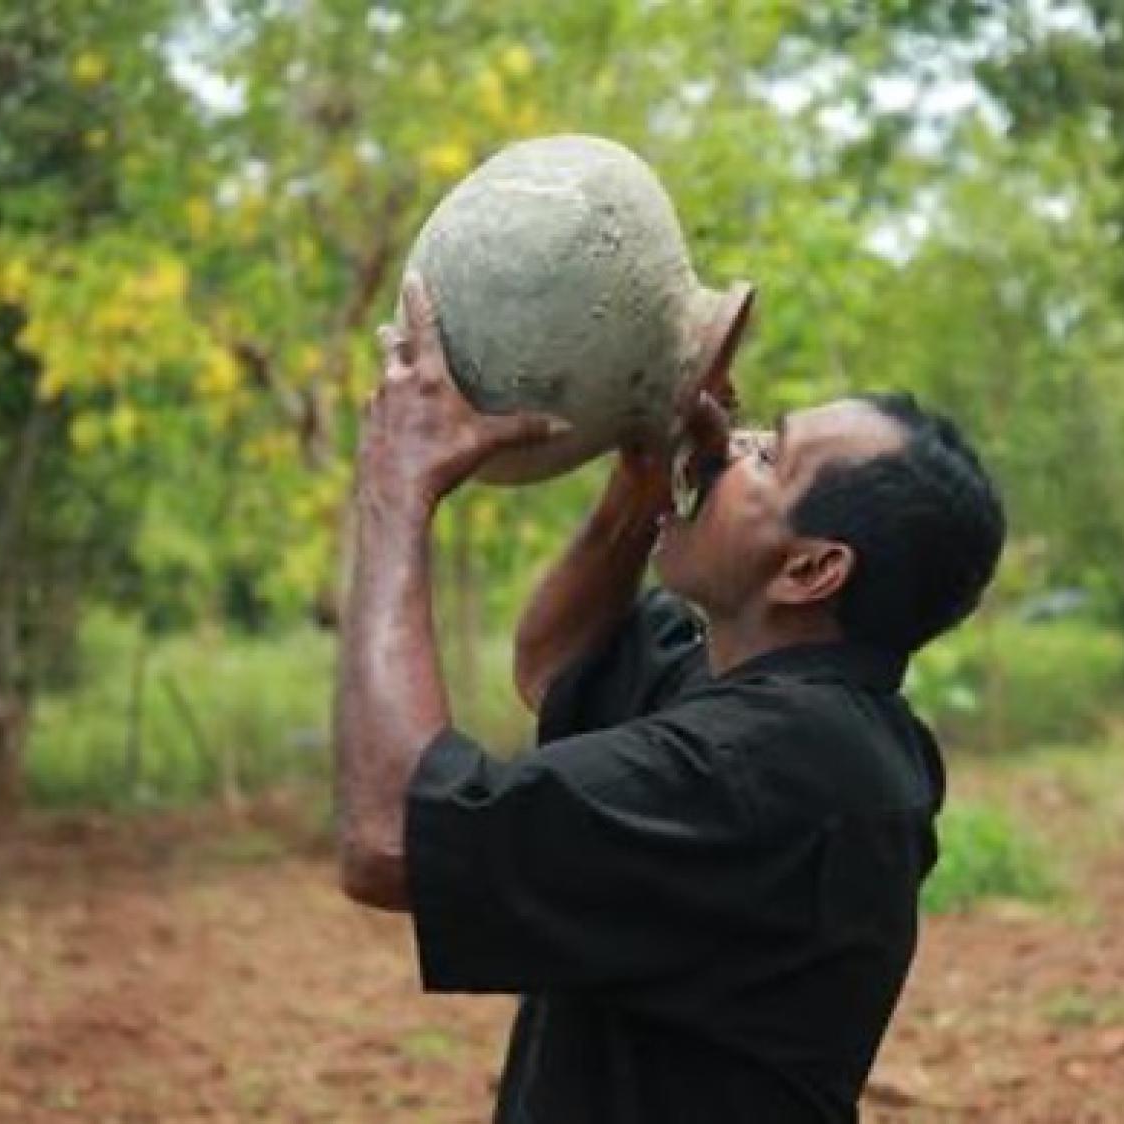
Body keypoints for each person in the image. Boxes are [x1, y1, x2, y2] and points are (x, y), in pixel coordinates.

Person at [334, 272, 1005, 1123]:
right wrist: (647, 473)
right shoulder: (789, 703)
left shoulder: (769, 770)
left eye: (768, 455)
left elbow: (388, 838)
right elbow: (554, 661)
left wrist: (396, 493)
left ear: (810, 569)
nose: (729, 444)